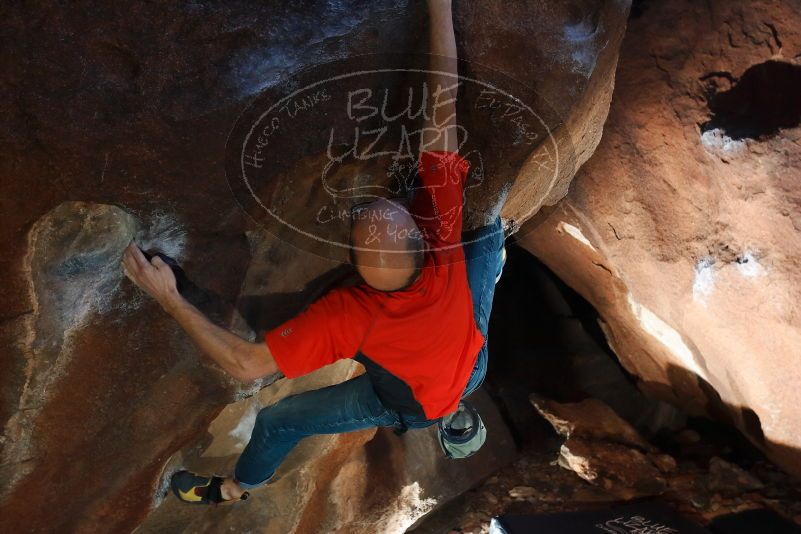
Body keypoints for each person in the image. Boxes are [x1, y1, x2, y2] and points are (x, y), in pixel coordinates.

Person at [121, 0, 505, 505]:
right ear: (421, 231)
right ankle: (488, 292)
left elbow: (247, 364)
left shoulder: (353, 315)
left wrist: (169, 296)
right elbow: (443, 100)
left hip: (412, 401)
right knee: (487, 239)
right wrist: (440, 9)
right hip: (467, 360)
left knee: (282, 420)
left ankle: (237, 488)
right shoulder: (442, 240)